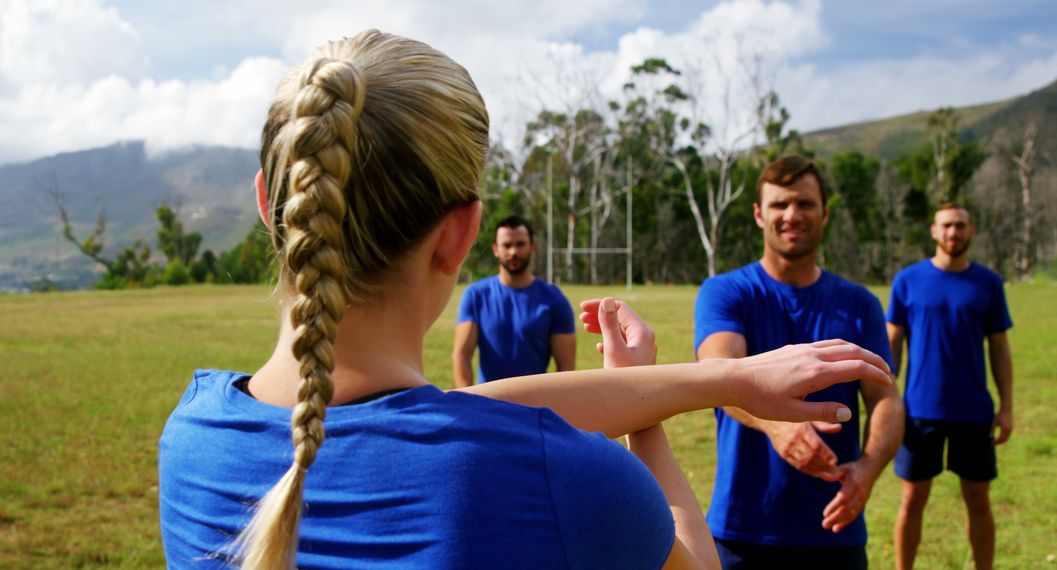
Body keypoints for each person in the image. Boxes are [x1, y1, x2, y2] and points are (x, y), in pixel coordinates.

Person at [157, 31, 893, 569]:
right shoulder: (560, 479)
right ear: (462, 236)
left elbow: (461, 416)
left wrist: (708, 381)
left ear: (268, 203)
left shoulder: (189, 437)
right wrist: (649, 426)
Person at [694, 155, 904, 569]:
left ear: (824, 213)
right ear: (758, 214)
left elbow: (886, 400)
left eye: (805, 204)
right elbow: (717, 373)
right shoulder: (725, 292)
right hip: (743, 528)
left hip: (835, 529)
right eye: (779, 204)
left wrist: (868, 468)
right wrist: (776, 423)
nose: (792, 215)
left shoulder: (859, 304)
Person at [888, 202, 1014, 570]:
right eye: (946, 226)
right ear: (933, 231)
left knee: (979, 500)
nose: (953, 233)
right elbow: (891, 341)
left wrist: (1006, 406)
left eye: (960, 226)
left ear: (971, 230)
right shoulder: (908, 281)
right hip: (919, 411)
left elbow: (1000, 347)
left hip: (973, 412)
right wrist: (886, 398)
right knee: (912, 499)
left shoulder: (988, 283)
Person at [452, 215, 575, 387]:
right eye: (507, 245)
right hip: (489, 405)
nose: (513, 252)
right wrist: (467, 403)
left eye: (520, 244)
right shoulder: (475, 295)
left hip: (535, 407)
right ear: (496, 249)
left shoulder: (554, 299)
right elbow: (462, 355)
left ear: (532, 246)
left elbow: (566, 368)